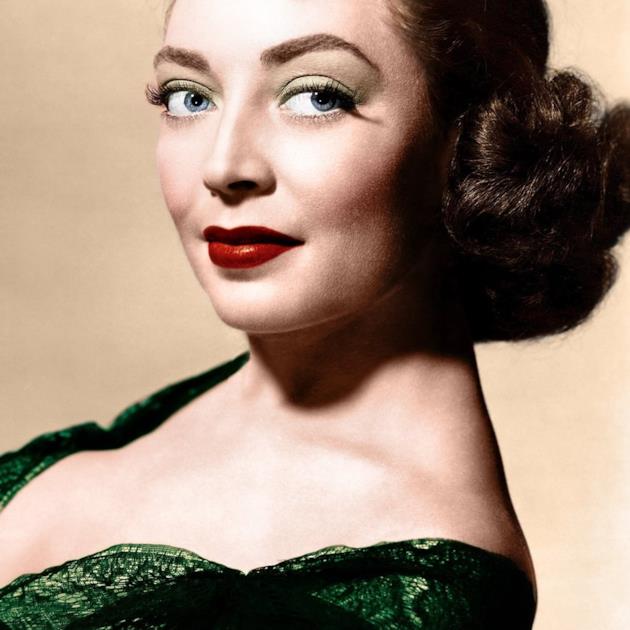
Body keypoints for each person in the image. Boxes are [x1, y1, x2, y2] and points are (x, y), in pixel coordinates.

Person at [0, 0, 628, 627]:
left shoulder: (399, 593)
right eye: (188, 97)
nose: (224, 167)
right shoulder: (172, 425)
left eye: (317, 96)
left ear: (473, 142)